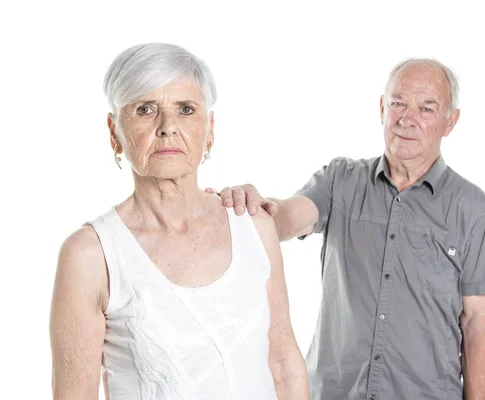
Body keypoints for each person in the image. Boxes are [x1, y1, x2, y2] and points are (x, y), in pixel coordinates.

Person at [215, 58, 485, 400]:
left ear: (451, 121)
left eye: (427, 109)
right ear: (382, 107)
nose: (407, 118)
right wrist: (254, 209)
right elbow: (286, 217)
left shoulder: (475, 211)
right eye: (398, 103)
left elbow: (480, 325)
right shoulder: (340, 181)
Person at [49, 43, 309, 400]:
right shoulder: (90, 255)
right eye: (145, 109)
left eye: (186, 109)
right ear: (114, 132)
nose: (167, 127)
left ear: (210, 128)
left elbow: (284, 366)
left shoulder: (253, 225)